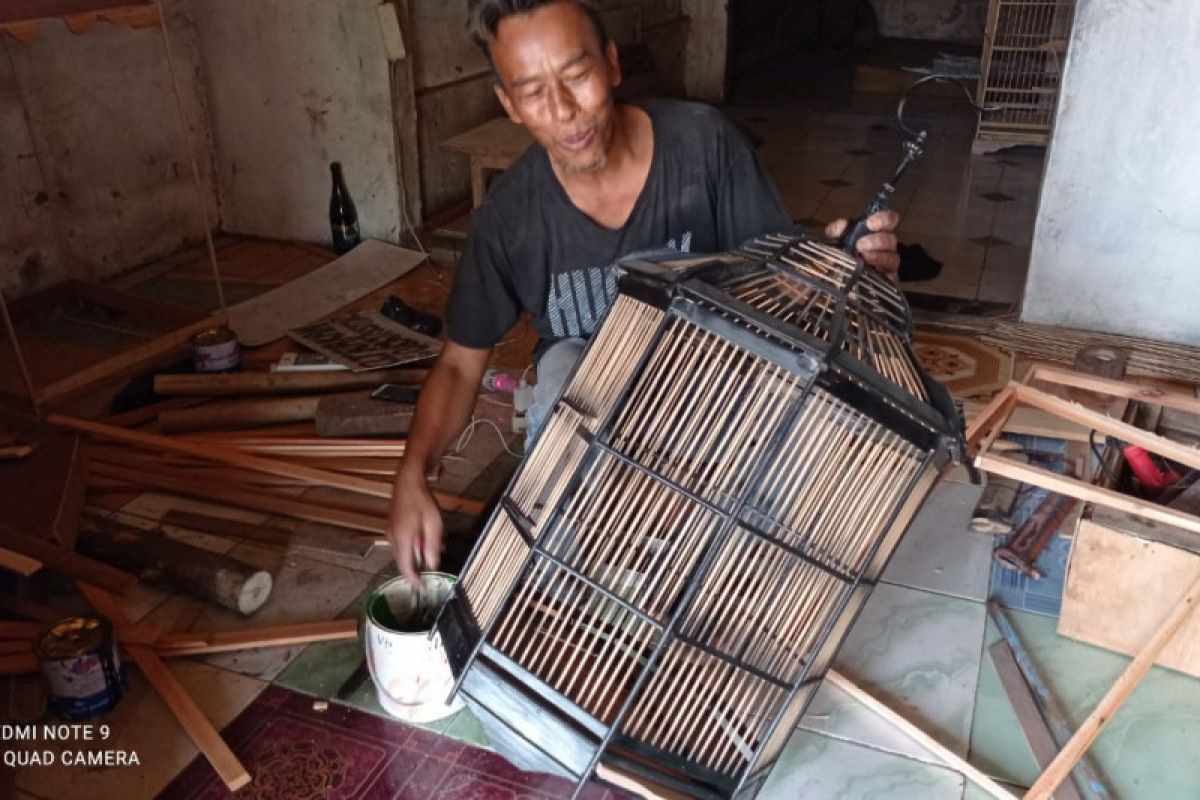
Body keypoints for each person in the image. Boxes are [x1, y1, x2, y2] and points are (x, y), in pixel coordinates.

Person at [387, 0, 900, 583]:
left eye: (576, 76)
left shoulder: (703, 146)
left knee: (806, 448)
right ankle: (567, 586)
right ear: (508, 104)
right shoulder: (509, 219)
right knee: (561, 370)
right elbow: (459, 364)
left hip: (712, 375)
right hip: (594, 404)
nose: (563, 112)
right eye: (533, 93)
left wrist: (835, 265)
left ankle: (746, 582)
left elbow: (777, 285)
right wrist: (411, 472)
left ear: (610, 64)